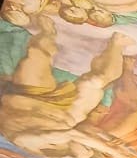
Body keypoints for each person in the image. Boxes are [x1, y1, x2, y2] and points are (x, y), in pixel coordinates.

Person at [0, 19, 129, 136]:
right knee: (96, 80)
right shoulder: (68, 123)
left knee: (36, 53)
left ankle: (48, 31)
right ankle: (117, 45)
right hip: (60, 113)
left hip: (24, 98)